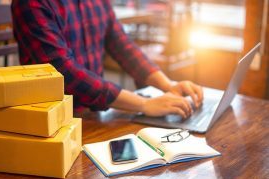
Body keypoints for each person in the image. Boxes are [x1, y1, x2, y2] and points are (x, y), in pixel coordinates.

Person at [11, 0, 203, 118]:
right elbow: (63, 72)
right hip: (52, 120)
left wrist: (168, 85)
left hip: (96, 113)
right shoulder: (31, 2)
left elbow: (122, 45)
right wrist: (143, 104)